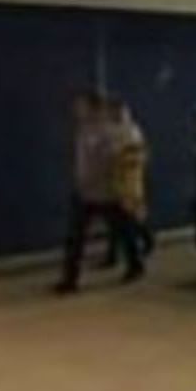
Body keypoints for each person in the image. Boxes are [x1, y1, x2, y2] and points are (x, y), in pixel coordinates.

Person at [56, 90, 143, 294]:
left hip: (107, 192)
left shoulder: (111, 130)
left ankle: (135, 264)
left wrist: (123, 188)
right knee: (75, 236)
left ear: (94, 108)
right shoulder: (83, 130)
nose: (78, 111)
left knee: (123, 230)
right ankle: (70, 279)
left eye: (82, 106)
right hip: (85, 192)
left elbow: (120, 158)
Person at [103, 97, 155, 268]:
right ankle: (114, 254)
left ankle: (145, 241)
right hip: (114, 181)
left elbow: (138, 154)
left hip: (129, 181)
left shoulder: (131, 131)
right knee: (116, 220)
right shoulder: (109, 130)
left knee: (129, 217)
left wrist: (121, 158)